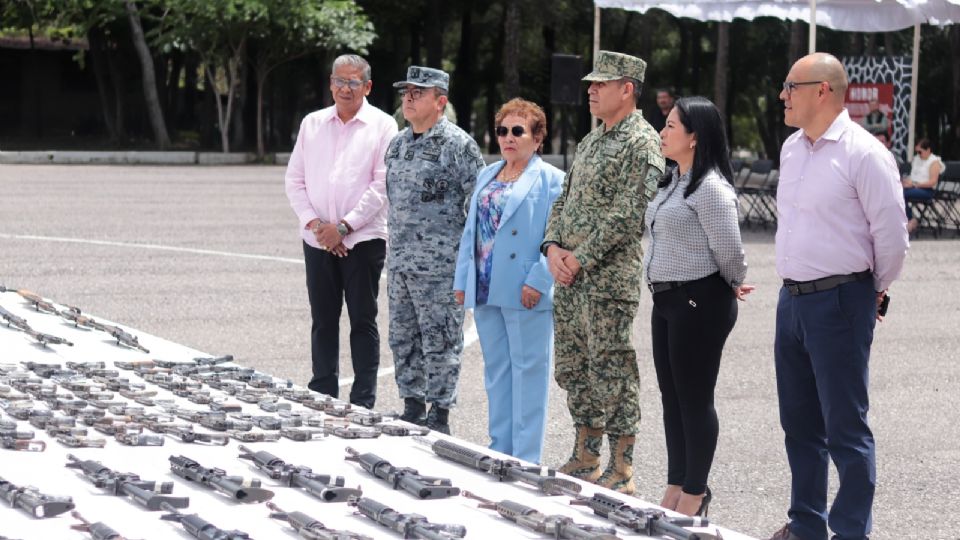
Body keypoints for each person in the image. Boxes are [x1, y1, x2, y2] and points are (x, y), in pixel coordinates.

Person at [767, 53, 908, 540]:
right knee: (799, 425)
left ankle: (850, 532)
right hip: (792, 300)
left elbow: (892, 238)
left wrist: (872, 290)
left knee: (846, 428)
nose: (782, 95)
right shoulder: (792, 149)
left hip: (841, 299)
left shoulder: (864, 154)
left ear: (822, 90)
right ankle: (807, 525)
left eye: (790, 86)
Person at [542, 50, 664, 494]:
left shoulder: (642, 142)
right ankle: (586, 455)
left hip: (607, 281)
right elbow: (564, 198)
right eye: (591, 84)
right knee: (574, 368)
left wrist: (580, 258)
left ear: (627, 89)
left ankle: (622, 467)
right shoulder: (593, 140)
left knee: (612, 371)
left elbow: (628, 215)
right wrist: (552, 247)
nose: (591, 90)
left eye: (601, 84)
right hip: (571, 277)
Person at [646, 96, 753, 516]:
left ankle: (695, 492)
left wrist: (733, 283)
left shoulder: (710, 188)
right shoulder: (673, 180)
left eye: (671, 126)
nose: (662, 132)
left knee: (694, 398)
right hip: (666, 299)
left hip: (698, 301)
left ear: (694, 137)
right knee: (671, 398)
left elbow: (731, 252)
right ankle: (676, 482)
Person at [453, 98, 564, 464]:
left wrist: (540, 280)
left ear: (538, 138)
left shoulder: (552, 180)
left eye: (518, 131)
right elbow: (471, 232)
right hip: (486, 285)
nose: (508, 138)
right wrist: (463, 281)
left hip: (525, 287)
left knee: (529, 375)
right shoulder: (487, 174)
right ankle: (500, 448)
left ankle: (526, 458)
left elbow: (559, 235)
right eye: (502, 130)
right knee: (497, 372)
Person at [284, 54, 398, 409]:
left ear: (368, 86)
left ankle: (363, 399)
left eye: (353, 82)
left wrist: (344, 227)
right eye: (339, 81)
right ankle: (322, 392)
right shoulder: (312, 123)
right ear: (330, 83)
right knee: (323, 319)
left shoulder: (383, 126)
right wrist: (319, 226)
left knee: (362, 319)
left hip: (362, 239)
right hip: (318, 239)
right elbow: (294, 180)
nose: (345, 89)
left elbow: (382, 185)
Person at [386, 65, 485, 434]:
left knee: (440, 339)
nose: (409, 98)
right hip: (400, 263)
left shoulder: (458, 146)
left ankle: (439, 414)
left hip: (441, 267)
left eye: (418, 93)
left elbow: (479, 204)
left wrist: (469, 261)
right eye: (406, 92)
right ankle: (411, 405)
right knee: (402, 337)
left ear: (440, 102)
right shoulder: (397, 144)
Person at [901, 138, 945, 233]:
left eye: (920, 152)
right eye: (916, 152)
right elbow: (913, 176)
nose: (918, 154)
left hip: (927, 190)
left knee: (901, 194)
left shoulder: (934, 161)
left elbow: (933, 182)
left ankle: (910, 220)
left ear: (928, 150)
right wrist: (907, 182)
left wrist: (914, 184)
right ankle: (905, 220)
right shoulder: (917, 159)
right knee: (896, 191)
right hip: (914, 188)